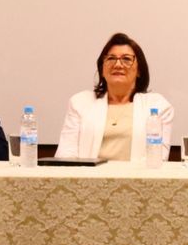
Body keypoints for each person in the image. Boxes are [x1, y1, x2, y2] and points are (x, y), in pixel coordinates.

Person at [55, 33, 173, 162]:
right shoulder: (80, 102)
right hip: (89, 175)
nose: (117, 65)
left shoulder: (158, 106)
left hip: (136, 175)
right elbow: (65, 155)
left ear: (139, 70)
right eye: (111, 58)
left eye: (126, 59)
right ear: (102, 69)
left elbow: (158, 158)